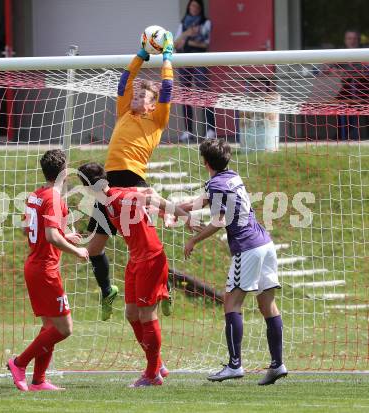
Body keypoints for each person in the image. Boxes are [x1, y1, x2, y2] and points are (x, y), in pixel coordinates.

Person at [180, 139, 287, 385]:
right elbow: (201, 201)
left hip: (247, 248)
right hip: (265, 244)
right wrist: (171, 208)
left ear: (205, 162)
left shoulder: (216, 184)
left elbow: (218, 221)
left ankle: (234, 365)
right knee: (267, 304)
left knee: (231, 303)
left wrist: (193, 241)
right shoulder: (231, 177)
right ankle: (277, 363)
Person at [86, 31, 174, 321]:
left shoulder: (157, 120)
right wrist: (140, 55)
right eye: (135, 94)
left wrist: (167, 58)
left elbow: (168, 88)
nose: (135, 97)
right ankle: (107, 289)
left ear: (152, 104)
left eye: (143, 96)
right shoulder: (124, 112)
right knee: (94, 246)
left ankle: (163, 287)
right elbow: (124, 81)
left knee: (144, 244)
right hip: (110, 185)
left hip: (135, 182)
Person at [77, 162, 189, 387]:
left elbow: (151, 197)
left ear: (88, 188)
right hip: (136, 259)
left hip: (150, 259)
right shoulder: (107, 202)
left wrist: (183, 215)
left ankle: (152, 374)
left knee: (147, 316)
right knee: (131, 314)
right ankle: (157, 364)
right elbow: (146, 193)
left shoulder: (118, 197)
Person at [7, 149, 89, 392]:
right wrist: (77, 251)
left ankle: (39, 381)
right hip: (45, 270)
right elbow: (51, 236)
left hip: (35, 265)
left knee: (49, 328)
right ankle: (18, 362)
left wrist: (65, 235)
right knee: (64, 329)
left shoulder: (36, 195)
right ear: (64, 171)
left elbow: (27, 229)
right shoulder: (53, 197)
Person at [174, 0, 215, 142]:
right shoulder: (183, 22)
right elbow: (175, 43)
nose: (194, 8)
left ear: (201, 9)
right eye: (192, 6)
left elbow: (204, 43)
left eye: (197, 6)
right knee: (185, 95)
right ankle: (188, 131)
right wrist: (187, 33)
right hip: (184, 60)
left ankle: (210, 130)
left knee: (204, 94)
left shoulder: (206, 23)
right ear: (188, 7)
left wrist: (187, 42)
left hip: (199, 59)